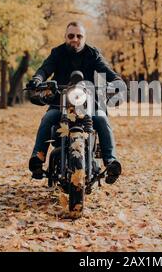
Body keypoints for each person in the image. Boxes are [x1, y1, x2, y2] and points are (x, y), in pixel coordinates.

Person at [26, 21, 122, 184]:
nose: (75, 39)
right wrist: (37, 78)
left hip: (89, 104)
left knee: (102, 119)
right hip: (60, 103)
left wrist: (116, 81)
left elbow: (107, 71)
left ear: (84, 38)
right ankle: (38, 158)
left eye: (79, 36)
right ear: (65, 37)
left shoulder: (93, 54)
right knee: (48, 118)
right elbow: (45, 69)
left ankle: (111, 162)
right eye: (71, 36)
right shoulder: (57, 53)